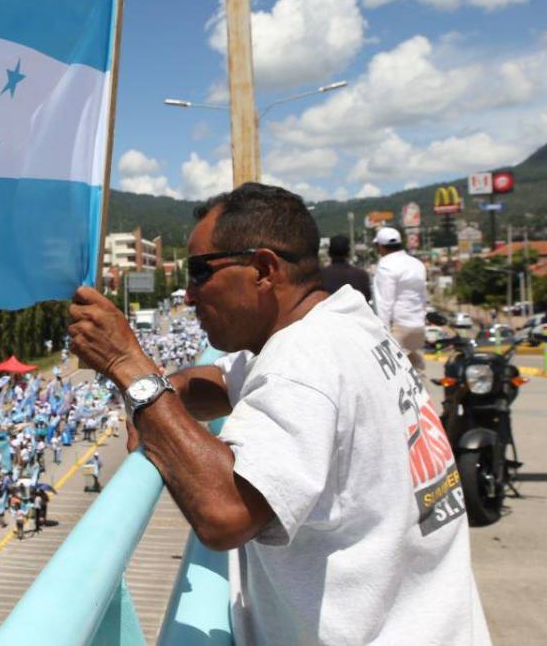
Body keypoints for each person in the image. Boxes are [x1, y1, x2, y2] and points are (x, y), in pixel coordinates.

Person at [67, 182, 489, 645]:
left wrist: (131, 369)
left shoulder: (304, 359)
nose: (188, 295)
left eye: (199, 272)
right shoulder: (345, 319)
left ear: (264, 269)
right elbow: (215, 383)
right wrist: (155, 401)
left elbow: (224, 514)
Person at [372, 226, 429, 384]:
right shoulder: (417, 264)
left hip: (398, 328)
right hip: (417, 326)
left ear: (380, 246)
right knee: (417, 371)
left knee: (395, 377)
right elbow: (423, 297)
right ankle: (424, 405)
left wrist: (382, 334)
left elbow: (384, 304)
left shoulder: (385, 266)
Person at [320, 233, 371, 302]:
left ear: (329, 253)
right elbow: (367, 299)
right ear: (348, 253)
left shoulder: (319, 276)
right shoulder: (361, 276)